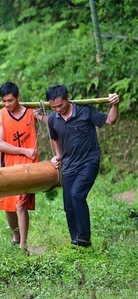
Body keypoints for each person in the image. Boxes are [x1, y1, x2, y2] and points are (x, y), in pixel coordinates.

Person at [46, 85, 120, 247]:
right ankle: (76, 239)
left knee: (77, 195)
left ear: (68, 98)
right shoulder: (53, 119)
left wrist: (114, 105)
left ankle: (84, 237)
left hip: (88, 162)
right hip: (68, 166)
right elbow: (54, 138)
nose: (58, 109)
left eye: (61, 105)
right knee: (68, 205)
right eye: (54, 107)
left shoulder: (85, 111)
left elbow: (111, 120)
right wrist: (57, 155)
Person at [0, 82, 39, 251]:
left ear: (18, 97)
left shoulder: (31, 113)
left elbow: (52, 122)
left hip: (29, 167)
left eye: (10, 101)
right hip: (9, 166)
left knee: (20, 204)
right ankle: (16, 236)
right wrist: (23, 150)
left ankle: (23, 246)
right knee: (9, 206)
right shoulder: (0, 116)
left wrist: (43, 113)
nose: (7, 104)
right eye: (4, 101)